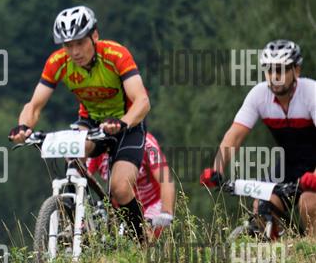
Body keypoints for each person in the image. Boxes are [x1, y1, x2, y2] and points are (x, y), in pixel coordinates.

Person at [9, 6, 151, 241]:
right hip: (91, 122)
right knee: (72, 153)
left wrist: (123, 122)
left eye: (80, 43)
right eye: (68, 45)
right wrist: (23, 126)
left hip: (127, 124)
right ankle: (74, 216)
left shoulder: (116, 55)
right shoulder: (58, 62)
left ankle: (142, 240)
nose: (74, 51)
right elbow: (34, 105)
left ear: (94, 36)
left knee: (120, 188)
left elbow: (142, 101)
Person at [200, 40, 316, 236]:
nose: (274, 76)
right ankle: (281, 252)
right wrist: (217, 168)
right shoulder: (259, 95)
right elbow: (234, 136)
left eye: (281, 70)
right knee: (262, 205)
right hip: (290, 164)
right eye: (269, 70)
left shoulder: (311, 92)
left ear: (296, 70)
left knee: (309, 202)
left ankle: (311, 251)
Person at [86, 131, 175, 239]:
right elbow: (83, 175)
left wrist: (166, 212)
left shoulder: (146, 142)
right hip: (122, 207)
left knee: (143, 239)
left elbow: (165, 179)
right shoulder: (99, 146)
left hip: (151, 203)